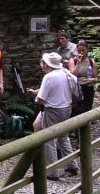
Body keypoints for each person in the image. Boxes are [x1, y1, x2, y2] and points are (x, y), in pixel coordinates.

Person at [27, 52, 78, 180]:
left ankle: (52, 172)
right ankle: (72, 165)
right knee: (63, 137)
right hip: (66, 108)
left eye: (43, 62)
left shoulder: (49, 77)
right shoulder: (65, 73)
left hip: (52, 110)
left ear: (46, 64)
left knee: (49, 140)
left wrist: (36, 98)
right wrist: (36, 91)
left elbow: (39, 100)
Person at [68, 40, 98, 114]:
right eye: (79, 50)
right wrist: (78, 62)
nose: (81, 52)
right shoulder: (73, 61)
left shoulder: (91, 62)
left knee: (87, 108)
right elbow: (73, 75)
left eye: (83, 50)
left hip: (88, 87)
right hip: (76, 88)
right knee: (77, 109)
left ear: (87, 50)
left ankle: (87, 124)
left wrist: (93, 80)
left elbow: (97, 78)